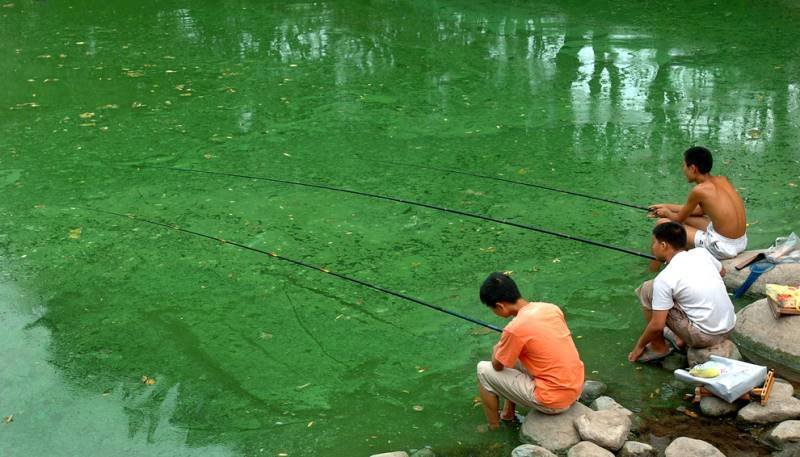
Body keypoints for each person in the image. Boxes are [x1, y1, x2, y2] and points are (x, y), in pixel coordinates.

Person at [476, 272, 584, 430]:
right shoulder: (550, 308)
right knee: (514, 356)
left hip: (554, 401)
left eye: (492, 308)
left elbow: (497, 366)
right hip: (576, 388)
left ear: (500, 306)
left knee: (483, 370)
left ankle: (493, 427)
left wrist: (496, 348)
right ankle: (508, 413)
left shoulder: (514, 329)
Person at [629, 222, 736, 363]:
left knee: (647, 289)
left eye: (654, 243)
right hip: (729, 327)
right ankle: (680, 338)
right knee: (680, 292)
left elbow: (657, 325)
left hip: (706, 337)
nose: (652, 248)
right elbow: (722, 272)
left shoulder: (665, 278)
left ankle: (658, 347)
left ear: (663, 246)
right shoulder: (701, 253)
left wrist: (639, 347)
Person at [649, 146, 747, 260]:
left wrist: (666, 213)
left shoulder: (699, 190)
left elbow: (677, 220)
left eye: (684, 165)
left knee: (662, 224)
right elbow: (701, 211)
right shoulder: (722, 180)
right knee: (688, 219)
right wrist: (667, 207)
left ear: (693, 168)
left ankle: (656, 265)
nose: (683, 169)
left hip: (723, 247)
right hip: (740, 241)